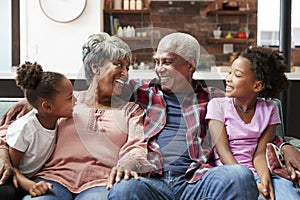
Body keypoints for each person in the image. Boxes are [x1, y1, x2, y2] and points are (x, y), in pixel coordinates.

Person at [0, 32, 152, 200]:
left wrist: (128, 163)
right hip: (53, 179)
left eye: (127, 68)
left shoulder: (131, 111)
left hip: (102, 182)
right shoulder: (64, 101)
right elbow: (11, 131)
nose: (125, 73)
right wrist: (3, 157)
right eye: (118, 65)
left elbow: (136, 146)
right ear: (95, 67)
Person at [107, 32, 259, 199]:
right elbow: (96, 94)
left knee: (239, 176)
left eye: (168, 62)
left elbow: (254, 124)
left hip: (196, 180)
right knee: (123, 188)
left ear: (190, 65)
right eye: (157, 62)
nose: (159, 69)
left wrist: (284, 147)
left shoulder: (214, 98)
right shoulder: (140, 92)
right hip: (152, 180)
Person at [206, 46, 300, 200]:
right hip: (230, 174)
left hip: (261, 171)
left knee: (288, 196)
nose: (228, 78)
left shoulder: (269, 110)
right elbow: (223, 153)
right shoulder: (217, 106)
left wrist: (264, 181)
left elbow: (260, 153)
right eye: (230, 72)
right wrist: (249, 183)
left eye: (237, 75)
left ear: (257, 86)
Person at [7, 62, 74, 198]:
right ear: (48, 107)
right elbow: (12, 167)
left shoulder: (55, 118)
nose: (76, 101)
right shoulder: (26, 129)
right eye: (70, 98)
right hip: (10, 178)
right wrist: (30, 185)